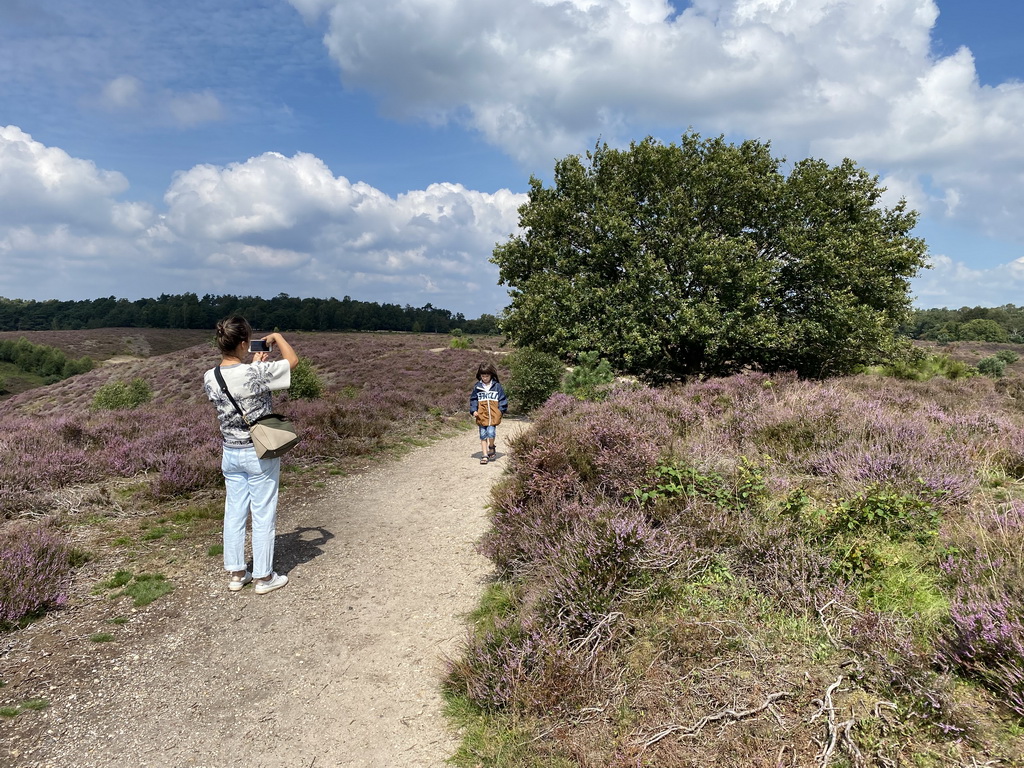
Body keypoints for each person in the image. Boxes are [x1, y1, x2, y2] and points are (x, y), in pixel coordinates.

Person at [203, 316, 298, 594]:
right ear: (244, 343)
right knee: (263, 512)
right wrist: (277, 337)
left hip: (230, 452)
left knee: (234, 512)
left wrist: (255, 364)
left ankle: (236, 573)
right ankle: (264, 577)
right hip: (259, 453)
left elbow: (238, 386)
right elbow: (292, 361)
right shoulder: (254, 374)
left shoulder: (210, 376)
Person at [469, 362, 508, 464]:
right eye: (483, 376)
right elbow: (473, 400)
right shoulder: (477, 387)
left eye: (487, 376)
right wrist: (474, 411)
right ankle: (485, 455)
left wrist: (501, 411)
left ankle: (491, 446)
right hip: (481, 416)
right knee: (483, 435)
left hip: (493, 416)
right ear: (480, 375)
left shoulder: (497, 386)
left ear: (491, 375)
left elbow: (502, 399)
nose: (485, 378)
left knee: (491, 433)